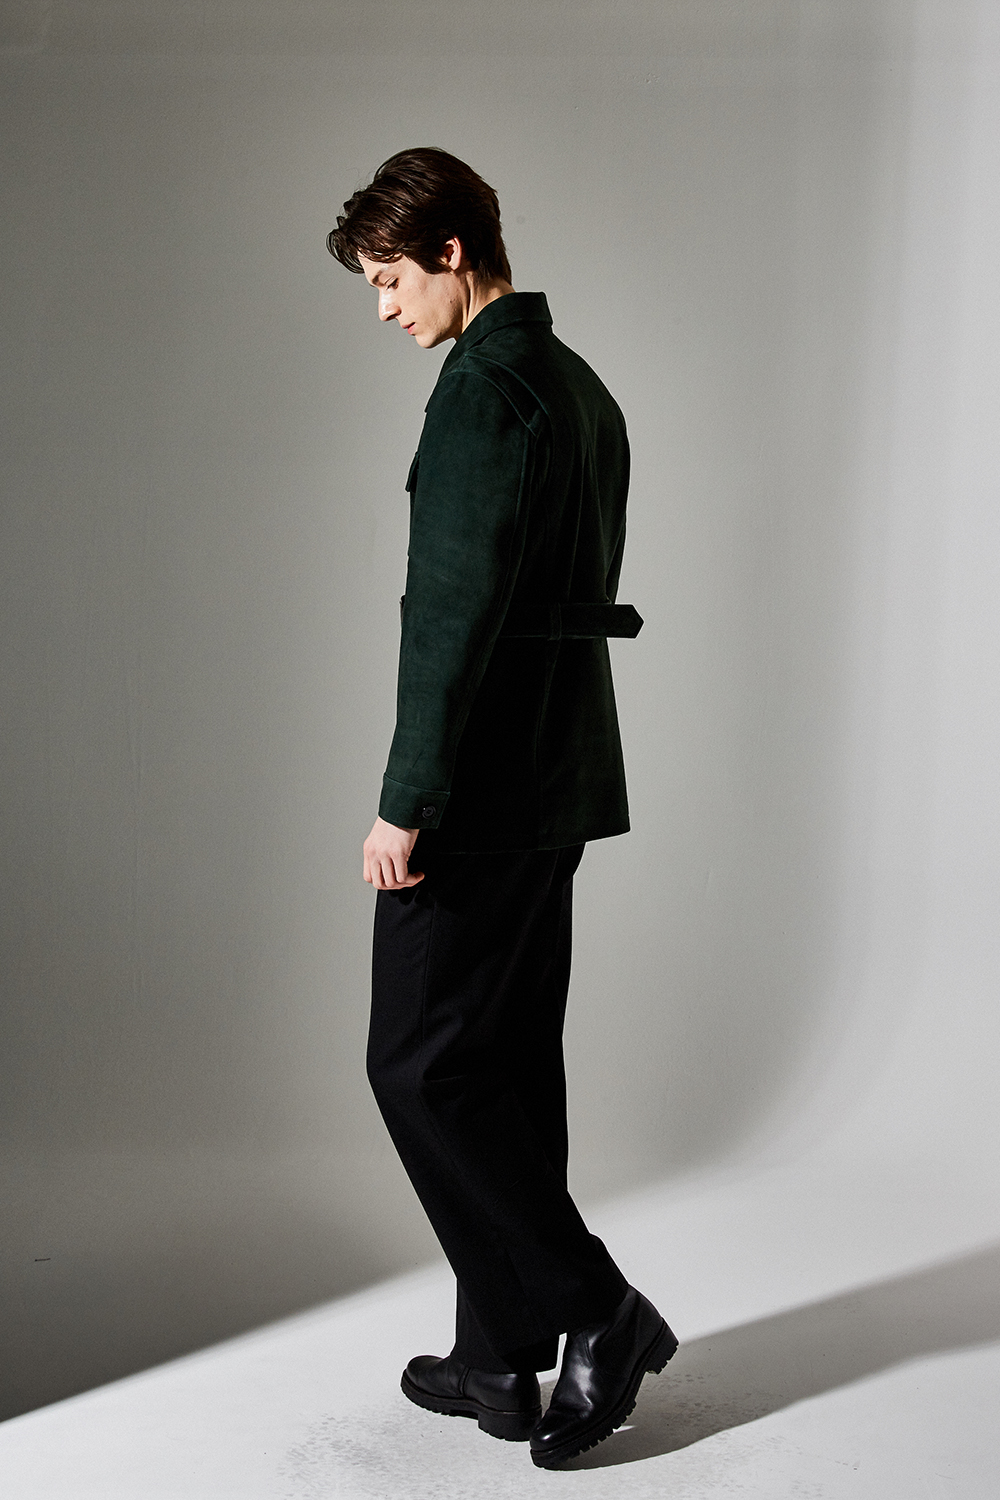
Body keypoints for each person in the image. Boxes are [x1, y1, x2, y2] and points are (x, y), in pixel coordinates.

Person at [327, 147, 676, 1469]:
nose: (384, 307)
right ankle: (498, 1359)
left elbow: (453, 618)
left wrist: (406, 801)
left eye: (389, 278)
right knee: (509, 1065)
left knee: (418, 1065)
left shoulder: (481, 393)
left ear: (452, 252)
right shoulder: (579, 387)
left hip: (475, 789)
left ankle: (596, 1307)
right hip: (560, 774)